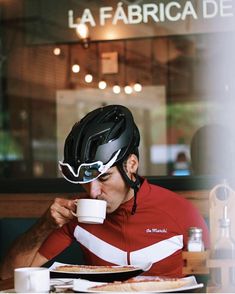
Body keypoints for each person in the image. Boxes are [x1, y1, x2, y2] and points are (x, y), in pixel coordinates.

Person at [0, 104, 209, 280]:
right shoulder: (75, 215)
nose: (93, 192)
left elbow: (212, 280)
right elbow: (9, 276)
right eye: (85, 181)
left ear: (131, 165)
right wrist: (44, 226)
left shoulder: (181, 213)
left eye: (104, 177)